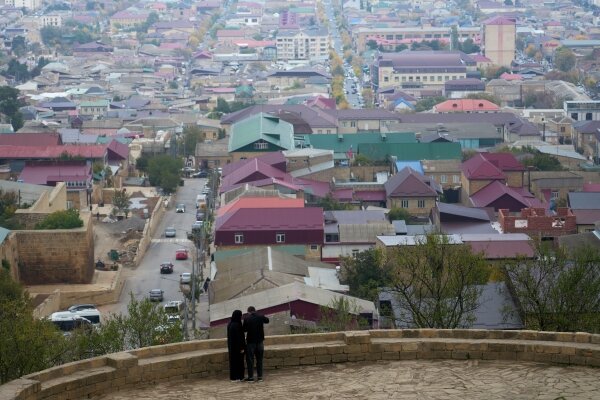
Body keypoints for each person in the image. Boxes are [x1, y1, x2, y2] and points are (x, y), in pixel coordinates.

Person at [243, 306, 269, 382]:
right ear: (255, 310)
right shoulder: (260, 316)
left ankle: (251, 377)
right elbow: (267, 321)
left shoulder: (247, 318)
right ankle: (260, 377)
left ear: (249, 311)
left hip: (251, 342)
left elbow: (244, 329)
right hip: (260, 341)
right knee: (259, 359)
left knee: (250, 360)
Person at [227, 310, 246, 382]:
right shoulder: (237, 325)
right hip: (237, 348)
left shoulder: (230, 324)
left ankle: (233, 377)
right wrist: (242, 348)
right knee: (239, 363)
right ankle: (239, 377)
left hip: (232, 347)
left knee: (233, 363)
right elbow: (239, 338)